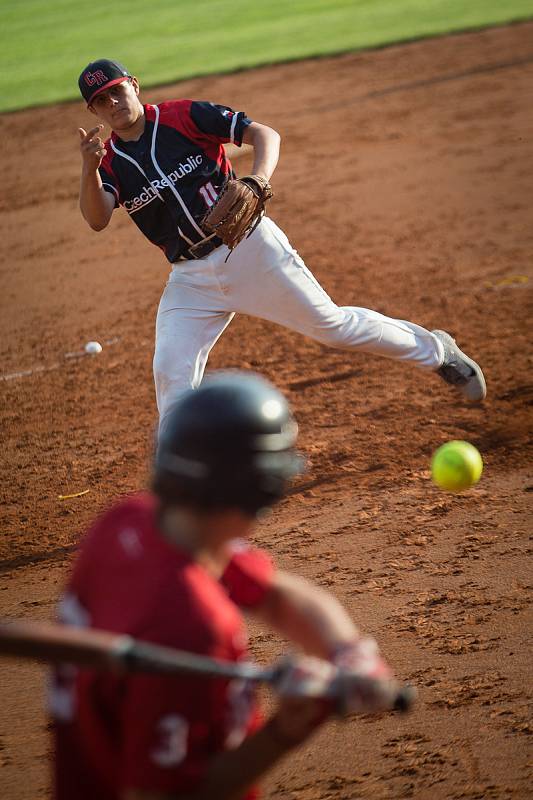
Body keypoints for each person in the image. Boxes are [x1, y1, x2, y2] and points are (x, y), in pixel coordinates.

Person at [77, 59, 486, 437]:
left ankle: (438, 352)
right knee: (171, 372)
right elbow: (97, 218)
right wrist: (89, 170)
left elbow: (262, 134)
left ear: (133, 85)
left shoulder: (181, 116)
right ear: (93, 111)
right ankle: (181, 471)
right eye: (100, 101)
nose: (113, 102)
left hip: (250, 248)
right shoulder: (108, 162)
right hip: (190, 279)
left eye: (117, 91)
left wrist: (257, 180)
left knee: (333, 328)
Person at [50, 371, 403, 800]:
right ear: (261, 491)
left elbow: (275, 595)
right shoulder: (192, 625)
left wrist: (351, 654)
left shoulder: (131, 522)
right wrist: (285, 731)